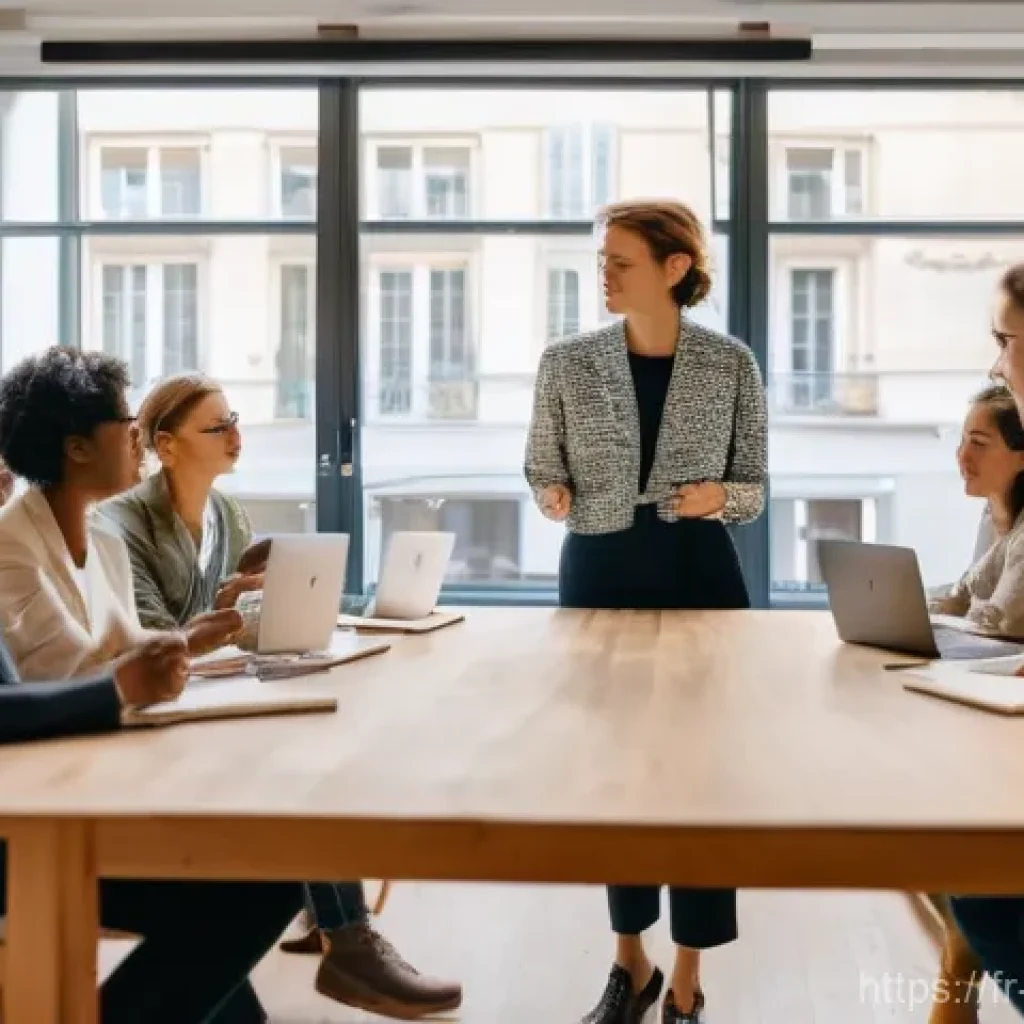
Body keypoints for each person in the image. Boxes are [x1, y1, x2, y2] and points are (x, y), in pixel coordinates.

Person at [96, 372, 463, 1021]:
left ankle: (332, 924)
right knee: (299, 760)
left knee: (319, 735)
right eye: (217, 427)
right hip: (159, 711)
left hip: (211, 694)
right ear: (167, 444)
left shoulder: (225, 514)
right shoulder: (121, 523)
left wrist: (296, 600)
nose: (237, 436)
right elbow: (151, 638)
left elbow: (243, 622)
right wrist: (229, 606)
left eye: (235, 419)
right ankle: (345, 936)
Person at [525, 199, 767, 1024]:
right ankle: (630, 962)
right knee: (616, 774)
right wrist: (552, 491)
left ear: (674, 268)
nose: (604, 273)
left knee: (702, 778)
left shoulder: (731, 363)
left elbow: (756, 489)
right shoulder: (565, 362)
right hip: (597, 570)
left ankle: (690, 974)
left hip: (701, 572)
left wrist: (718, 496)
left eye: (621, 261)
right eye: (602, 259)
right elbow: (538, 466)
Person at [0, 628, 306, 1023]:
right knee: (260, 882)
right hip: (22, 838)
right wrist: (114, 691)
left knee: (265, 873)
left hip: (32, 809)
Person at [0, 348, 241, 683]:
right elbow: (59, 677)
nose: (139, 438)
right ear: (78, 448)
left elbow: (122, 645)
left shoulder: (104, 541)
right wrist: (180, 644)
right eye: (128, 423)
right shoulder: (9, 546)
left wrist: (186, 639)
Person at [941, 263, 1024, 1016]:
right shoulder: (991, 520)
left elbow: (993, 620)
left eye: (1005, 340)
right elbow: (971, 598)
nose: (999, 360)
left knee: (972, 881)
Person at [928, 385, 1024, 638]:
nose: (962, 456)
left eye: (979, 443)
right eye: (963, 441)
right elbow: (967, 594)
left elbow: (1001, 625)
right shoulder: (990, 517)